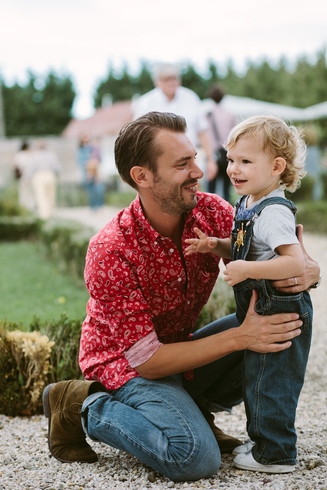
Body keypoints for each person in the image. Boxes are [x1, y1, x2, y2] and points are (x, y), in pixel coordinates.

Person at [43, 112, 320, 482]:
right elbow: (148, 362)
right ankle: (81, 405)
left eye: (194, 158)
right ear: (142, 176)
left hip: (179, 351)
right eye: (182, 164)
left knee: (281, 327)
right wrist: (242, 336)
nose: (199, 171)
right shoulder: (111, 250)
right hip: (127, 367)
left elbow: (286, 254)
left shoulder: (212, 213)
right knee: (193, 457)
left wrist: (309, 272)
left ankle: (195, 407)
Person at [185, 114, 314, 473]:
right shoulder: (249, 203)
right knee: (257, 377)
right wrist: (217, 245)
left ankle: (275, 454)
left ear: (276, 166)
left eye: (245, 161)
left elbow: (293, 263)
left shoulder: (273, 212)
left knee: (272, 383)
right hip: (261, 306)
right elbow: (249, 247)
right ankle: (264, 445)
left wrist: (247, 271)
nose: (233, 169)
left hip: (280, 309)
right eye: (230, 159)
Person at [132, 62, 218, 188]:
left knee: (191, 199)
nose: (171, 82)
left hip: (190, 161)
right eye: (166, 79)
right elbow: (138, 136)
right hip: (159, 163)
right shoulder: (146, 103)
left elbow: (203, 132)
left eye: (174, 78)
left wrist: (211, 160)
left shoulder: (191, 98)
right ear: (157, 81)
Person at [206, 85, 236, 202]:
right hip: (226, 154)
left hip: (212, 155)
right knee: (226, 188)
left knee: (210, 189)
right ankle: (227, 214)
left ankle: (210, 214)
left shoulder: (208, 115)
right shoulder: (230, 114)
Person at [28, 140, 61, 220]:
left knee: (41, 196)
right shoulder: (51, 155)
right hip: (50, 175)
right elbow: (57, 167)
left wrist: (28, 177)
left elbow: (30, 168)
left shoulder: (34, 155)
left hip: (39, 175)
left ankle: (44, 215)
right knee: (51, 196)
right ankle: (51, 213)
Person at [12, 141, 35, 212]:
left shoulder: (18, 155)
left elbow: (14, 166)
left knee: (22, 194)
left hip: (22, 177)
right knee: (31, 194)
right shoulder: (31, 155)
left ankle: (22, 209)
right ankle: (31, 209)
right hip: (31, 177)